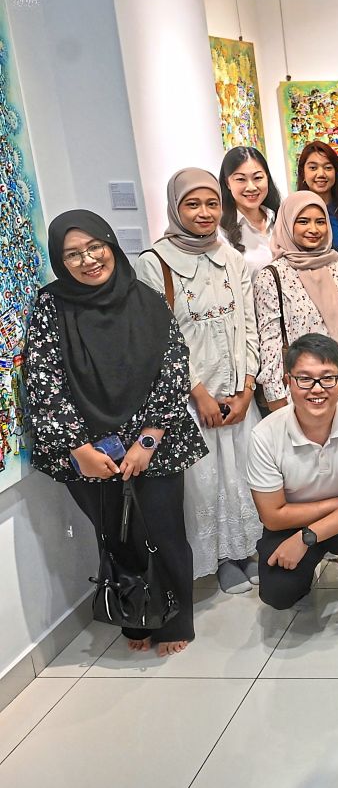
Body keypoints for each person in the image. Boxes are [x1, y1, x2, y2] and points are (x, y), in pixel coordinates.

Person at [24, 210, 207, 657]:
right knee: (115, 535)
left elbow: (173, 365)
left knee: (165, 532)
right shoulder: (50, 306)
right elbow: (43, 379)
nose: (88, 260)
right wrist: (79, 448)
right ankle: (134, 613)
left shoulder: (144, 298)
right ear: (58, 260)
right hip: (89, 450)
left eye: (94, 247)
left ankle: (175, 618)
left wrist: (148, 439)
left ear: (110, 243)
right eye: (72, 254)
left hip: (155, 442)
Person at [135, 168, 263, 595]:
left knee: (246, 473)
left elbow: (249, 326)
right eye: (193, 204)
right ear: (176, 208)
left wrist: (247, 389)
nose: (204, 213)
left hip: (237, 392)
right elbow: (160, 339)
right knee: (207, 484)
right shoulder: (154, 264)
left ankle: (250, 548)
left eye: (211, 203)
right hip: (193, 399)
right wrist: (201, 394)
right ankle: (223, 558)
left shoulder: (232, 258)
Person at [247, 334, 338, 627]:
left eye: (328, 378)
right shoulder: (265, 435)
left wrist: (308, 536)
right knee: (278, 594)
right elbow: (273, 517)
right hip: (292, 523)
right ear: (289, 382)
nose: (317, 389)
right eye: (305, 379)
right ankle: (303, 579)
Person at [254, 191, 338, 409]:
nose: (314, 230)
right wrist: (275, 398)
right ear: (287, 224)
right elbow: (270, 342)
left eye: (320, 222)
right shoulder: (272, 276)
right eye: (303, 221)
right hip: (303, 388)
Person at [218, 146, 282, 274]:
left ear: (267, 178)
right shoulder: (220, 232)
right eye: (241, 179)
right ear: (227, 183)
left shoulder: (281, 218)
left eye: (258, 178)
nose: (251, 187)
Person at [296, 140, 338, 265]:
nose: (321, 174)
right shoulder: (293, 214)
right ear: (303, 172)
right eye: (313, 168)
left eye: (328, 167)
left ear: (336, 172)